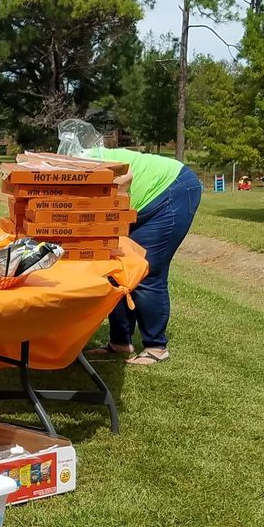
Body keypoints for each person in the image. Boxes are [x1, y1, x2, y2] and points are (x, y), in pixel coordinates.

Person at [67, 124, 202, 366]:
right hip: (143, 203)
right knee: (117, 268)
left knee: (145, 269)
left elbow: (125, 179)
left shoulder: (92, 166)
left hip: (172, 190)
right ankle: (120, 342)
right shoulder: (75, 168)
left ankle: (156, 347)